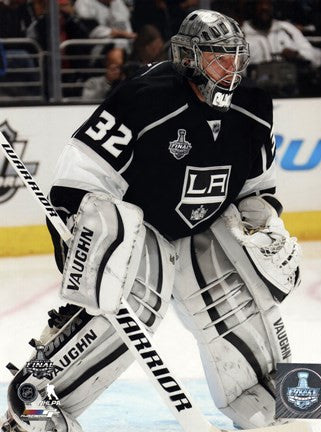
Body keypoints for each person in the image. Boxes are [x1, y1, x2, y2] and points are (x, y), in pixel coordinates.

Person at [1, 9, 301, 431]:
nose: (230, 68)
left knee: (244, 299)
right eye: (218, 57)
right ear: (189, 59)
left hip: (206, 229)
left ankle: (288, 407)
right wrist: (85, 242)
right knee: (128, 306)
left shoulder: (255, 107)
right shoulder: (143, 98)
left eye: (236, 57)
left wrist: (266, 228)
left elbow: (257, 188)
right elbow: (77, 179)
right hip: (147, 227)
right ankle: (31, 408)